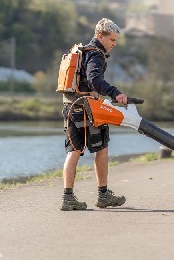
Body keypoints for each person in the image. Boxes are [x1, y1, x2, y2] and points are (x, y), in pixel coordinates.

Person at [60, 18, 128, 211]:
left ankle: (67, 197)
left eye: (115, 40)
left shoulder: (83, 52)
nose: (114, 44)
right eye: (112, 39)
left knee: (73, 151)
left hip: (71, 106)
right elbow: (94, 80)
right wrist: (116, 93)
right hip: (87, 109)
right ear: (100, 36)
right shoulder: (96, 54)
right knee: (102, 148)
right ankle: (103, 195)